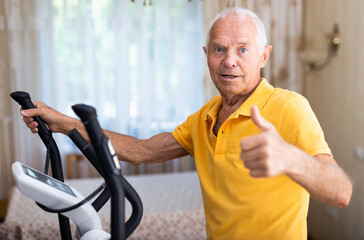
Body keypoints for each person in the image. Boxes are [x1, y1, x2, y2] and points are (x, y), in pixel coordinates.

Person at [19, 7, 352, 240]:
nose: (229, 60)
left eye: (243, 49)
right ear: (207, 53)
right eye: (219, 49)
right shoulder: (205, 116)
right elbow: (141, 150)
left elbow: (341, 192)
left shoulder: (289, 107)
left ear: (264, 56)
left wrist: (291, 159)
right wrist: (63, 122)